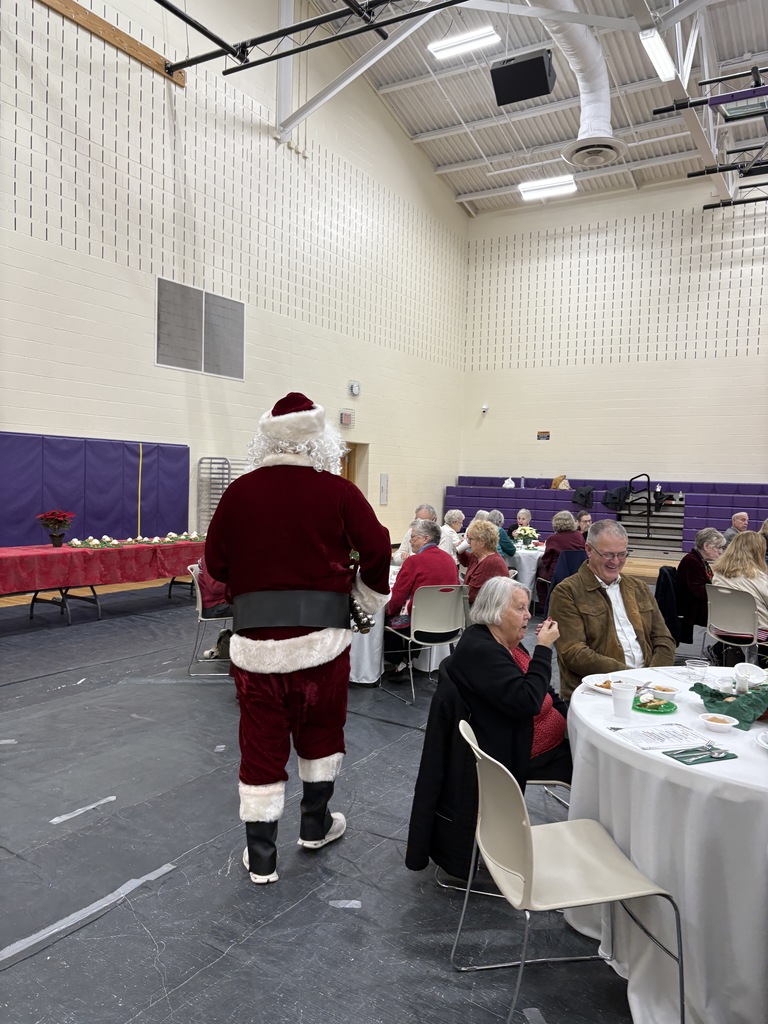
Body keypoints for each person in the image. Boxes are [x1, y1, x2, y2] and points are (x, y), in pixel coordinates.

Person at [205, 392, 391, 885]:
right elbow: (376, 546)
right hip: (322, 643)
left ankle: (261, 855)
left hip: (255, 644)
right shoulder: (338, 491)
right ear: (320, 438)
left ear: (267, 438)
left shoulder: (239, 493)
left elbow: (216, 565)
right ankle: (315, 825)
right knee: (321, 731)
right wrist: (365, 595)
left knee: (260, 744)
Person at [405, 577, 567, 879]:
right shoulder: (482, 651)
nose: (529, 615)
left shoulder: (504, 646)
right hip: (506, 753)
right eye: (520, 608)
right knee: (589, 764)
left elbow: (541, 692)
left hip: (518, 738)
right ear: (494, 612)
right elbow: (530, 700)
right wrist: (544, 649)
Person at [548, 520, 675, 700]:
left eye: (622, 554)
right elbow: (573, 653)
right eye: (608, 555)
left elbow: (664, 639)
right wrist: (632, 677)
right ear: (589, 550)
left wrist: (651, 677)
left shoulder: (639, 588)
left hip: (648, 688)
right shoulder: (567, 592)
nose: (616, 562)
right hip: (597, 693)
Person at [384, 519, 459, 668]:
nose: (410, 541)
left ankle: (396, 663)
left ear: (426, 538)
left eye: (413, 537)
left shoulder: (413, 562)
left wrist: (387, 611)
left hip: (421, 629)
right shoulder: (450, 560)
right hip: (450, 627)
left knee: (385, 618)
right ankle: (408, 659)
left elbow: (397, 598)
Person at [711, 531, 768, 631]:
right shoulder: (758, 577)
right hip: (756, 631)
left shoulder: (718, 574)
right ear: (758, 552)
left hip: (722, 629)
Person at [675, 528, 725, 641]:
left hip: (697, 605)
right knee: (735, 612)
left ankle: (723, 650)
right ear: (706, 546)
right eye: (718, 547)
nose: (720, 551)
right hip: (693, 609)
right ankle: (720, 651)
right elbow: (698, 591)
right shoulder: (691, 561)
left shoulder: (700, 560)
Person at [536, 510, 586, 604]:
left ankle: (543, 604)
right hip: (577, 572)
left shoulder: (553, 538)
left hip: (557, 574)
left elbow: (546, 560)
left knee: (537, 572)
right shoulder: (579, 536)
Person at [457, 519, 509, 604]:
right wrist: (460, 551)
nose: (469, 543)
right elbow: (466, 561)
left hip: (482, 611)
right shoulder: (479, 556)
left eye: (470, 539)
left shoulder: (490, 562)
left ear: (481, 542)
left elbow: (471, 595)